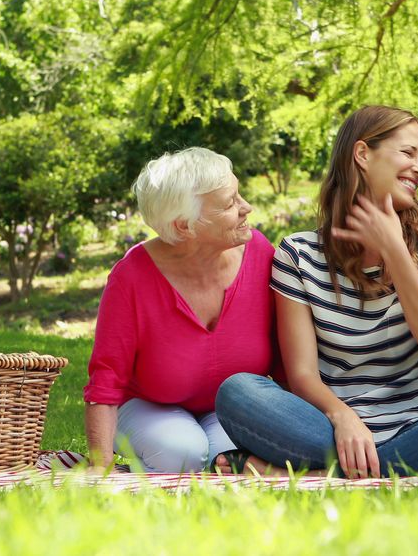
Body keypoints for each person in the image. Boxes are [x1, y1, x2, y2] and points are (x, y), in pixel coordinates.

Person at [214, 105, 418, 479]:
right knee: (238, 391)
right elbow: (302, 374)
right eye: (408, 153)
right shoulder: (298, 254)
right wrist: (344, 418)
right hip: (330, 430)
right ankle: (377, 470)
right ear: (362, 154)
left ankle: (319, 474)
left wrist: (394, 248)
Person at [83, 147, 281, 473]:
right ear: (185, 226)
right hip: (149, 405)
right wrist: (99, 466)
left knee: (235, 457)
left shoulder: (260, 253)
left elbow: (284, 354)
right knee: (182, 453)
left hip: (229, 407)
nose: (246, 207)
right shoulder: (131, 277)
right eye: (230, 203)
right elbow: (107, 377)